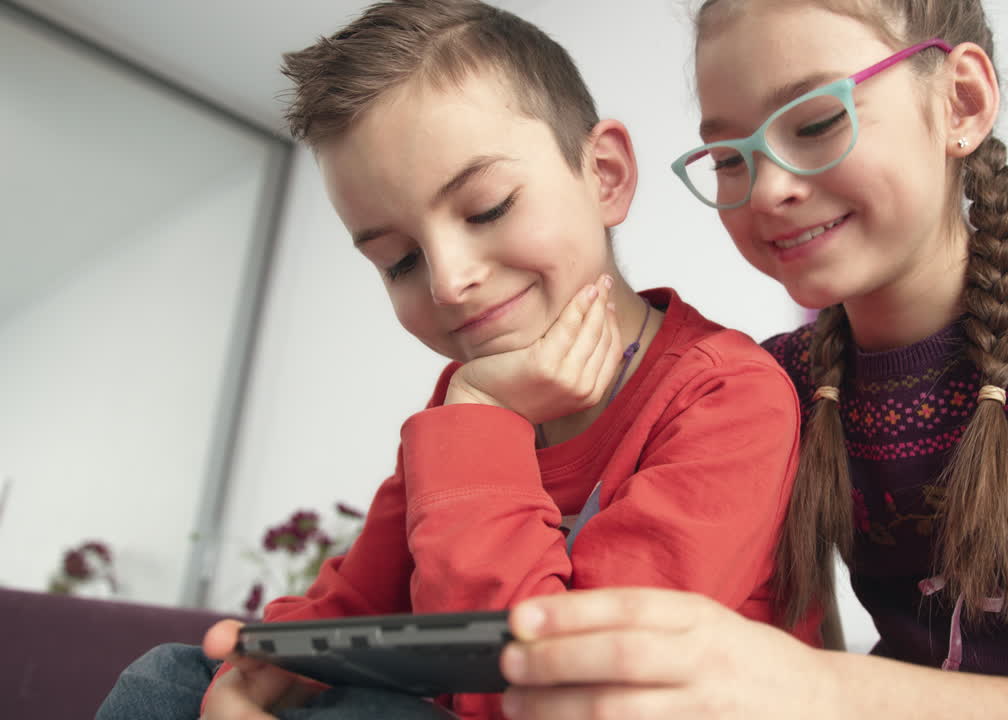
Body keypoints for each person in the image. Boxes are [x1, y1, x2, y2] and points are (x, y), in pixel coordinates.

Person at [494, 0, 1008, 717]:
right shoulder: (776, 384)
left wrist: (812, 689)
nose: (767, 190)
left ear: (961, 103)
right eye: (730, 157)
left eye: (813, 121)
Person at [96, 2, 820, 718]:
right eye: (399, 260)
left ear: (603, 174)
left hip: (580, 705)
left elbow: (562, 690)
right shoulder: (469, 399)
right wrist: (264, 669)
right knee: (167, 681)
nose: (447, 281)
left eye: (486, 209)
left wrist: (479, 416)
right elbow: (351, 606)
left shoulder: (727, 395)